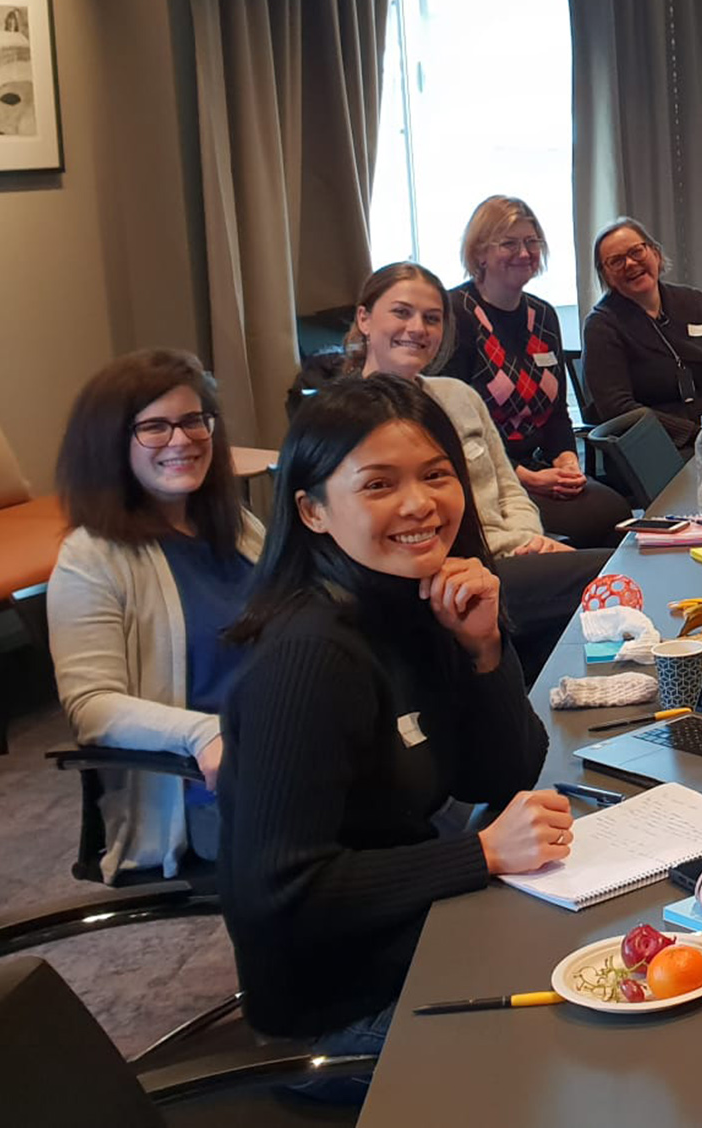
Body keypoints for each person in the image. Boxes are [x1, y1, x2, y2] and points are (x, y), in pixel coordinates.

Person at [218, 375, 566, 1100]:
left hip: (417, 937)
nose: (418, 504)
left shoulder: (415, 599)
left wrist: (483, 652)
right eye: (379, 484)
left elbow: (502, 775)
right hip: (337, 1016)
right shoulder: (311, 656)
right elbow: (278, 890)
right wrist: (479, 854)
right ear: (312, 510)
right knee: (591, 1053)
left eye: (436, 475)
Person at [48, 349, 262, 883]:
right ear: (112, 444)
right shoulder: (90, 557)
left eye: (193, 421)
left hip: (288, 742)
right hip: (211, 785)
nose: (182, 440)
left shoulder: (235, 525)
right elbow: (91, 708)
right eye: (154, 427)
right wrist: (200, 733)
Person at [347, 261, 611, 679]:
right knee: (614, 577)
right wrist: (512, 547)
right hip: (448, 574)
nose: (417, 328)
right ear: (364, 318)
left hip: (512, 555)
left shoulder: (457, 395)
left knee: (568, 637)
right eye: (401, 312)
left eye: (431, 318)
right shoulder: (348, 416)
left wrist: (531, 539)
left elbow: (508, 487)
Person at [437, 195, 630, 547]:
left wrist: (568, 460)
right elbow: (455, 427)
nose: (524, 253)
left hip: (541, 466)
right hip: (485, 477)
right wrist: (524, 477)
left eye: (531, 242)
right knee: (596, 528)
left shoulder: (542, 316)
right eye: (508, 243)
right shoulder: (455, 315)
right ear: (479, 253)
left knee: (615, 513)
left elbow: (555, 414)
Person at [581, 217, 702, 452]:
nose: (630, 264)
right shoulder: (601, 326)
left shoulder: (696, 302)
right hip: (658, 447)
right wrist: (699, 435)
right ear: (606, 276)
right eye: (616, 261)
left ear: (655, 253)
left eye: (636, 251)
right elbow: (619, 409)